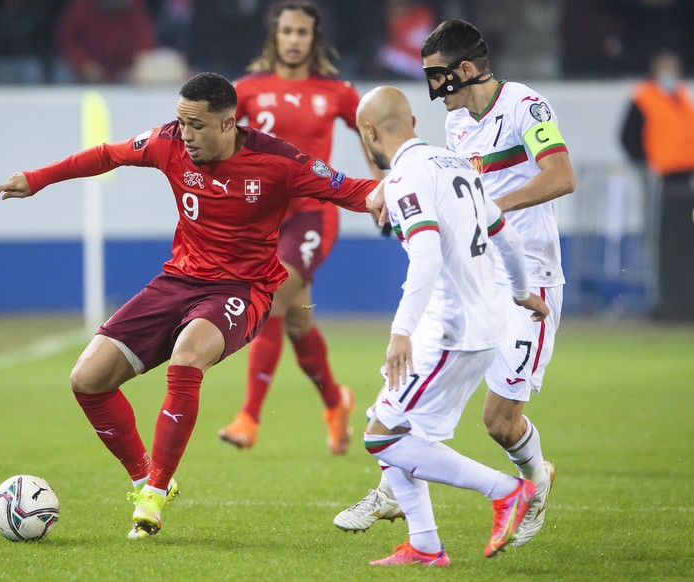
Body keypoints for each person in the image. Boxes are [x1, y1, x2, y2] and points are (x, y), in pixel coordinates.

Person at [0, 72, 379, 539]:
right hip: (177, 280)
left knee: (188, 353)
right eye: (181, 122)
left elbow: (353, 190)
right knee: (87, 380)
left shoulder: (277, 159)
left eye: (196, 125)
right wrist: (37, 179)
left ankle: (152, 496)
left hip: (243, 290)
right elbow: (105, 155)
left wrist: (405, 197)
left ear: (228, 123)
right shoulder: (167, 142)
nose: (186, 135)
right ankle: (146, 475)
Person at [335, 19, 576, 550]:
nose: (432, 86)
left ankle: (533, 482)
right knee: (407, 389)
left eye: (437, 74)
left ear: (465, 70)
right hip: (475, 280)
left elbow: (562, 176)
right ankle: (394, 491)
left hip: (527, 279)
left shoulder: (524, 105)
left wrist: (491, 211)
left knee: (499, 421)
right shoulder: (457, 127)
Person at [356, 86, 549, 566]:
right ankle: (424, 545)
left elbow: (423, 252)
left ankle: (506, 491)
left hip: (449, 330)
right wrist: (522, 292)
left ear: (370, 133)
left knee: (382, 437)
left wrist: (401, 330)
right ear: (414, 124)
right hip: (485, 320)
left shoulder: (404, 178)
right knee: (388, 421)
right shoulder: (456, 163)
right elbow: (503, 229)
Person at [218, 0, 384, 454]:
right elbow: (217, 133)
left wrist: (383, 186)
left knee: (271, 301)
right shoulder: (248, 89)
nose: (294, 40)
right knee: (297, 319)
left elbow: (371, 131)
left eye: (302, 33)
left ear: (314, 39)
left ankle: (249, 417)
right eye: (287, 31)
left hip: (314, 214)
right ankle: (336, 401)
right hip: (267, 219)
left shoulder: (335, 92)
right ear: (275, 36)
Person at [620, 49, 694, 321]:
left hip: (685, 181)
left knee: (685, 243)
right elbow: (628, 137)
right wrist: (645, 164)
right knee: (663, 241)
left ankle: (685, 300)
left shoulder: (681, 97)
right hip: (660, 182)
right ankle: (667, 301)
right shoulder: (644, 98)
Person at [57, 0, 156, 84]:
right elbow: (69, 39)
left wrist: (138, 67)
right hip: (86, 75)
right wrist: (83, 64)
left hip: (125, 75)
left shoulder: (135, 8)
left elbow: (145, 43)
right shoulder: (82, 6)